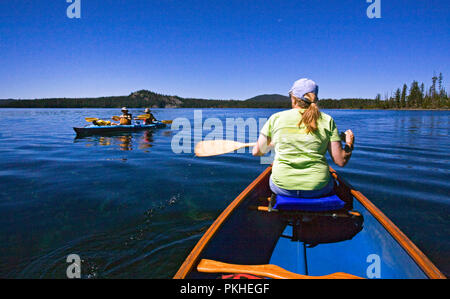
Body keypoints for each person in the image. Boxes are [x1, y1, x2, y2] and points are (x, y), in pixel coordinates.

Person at [252, 78, 354, 198]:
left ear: (293, 98)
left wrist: (271, 145)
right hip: (318, 188)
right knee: (333, 183)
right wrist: (349, 143)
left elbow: (257, 152)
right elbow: (340, 161)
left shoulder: (276, 118)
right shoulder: (327, 120)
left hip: (282, 187)